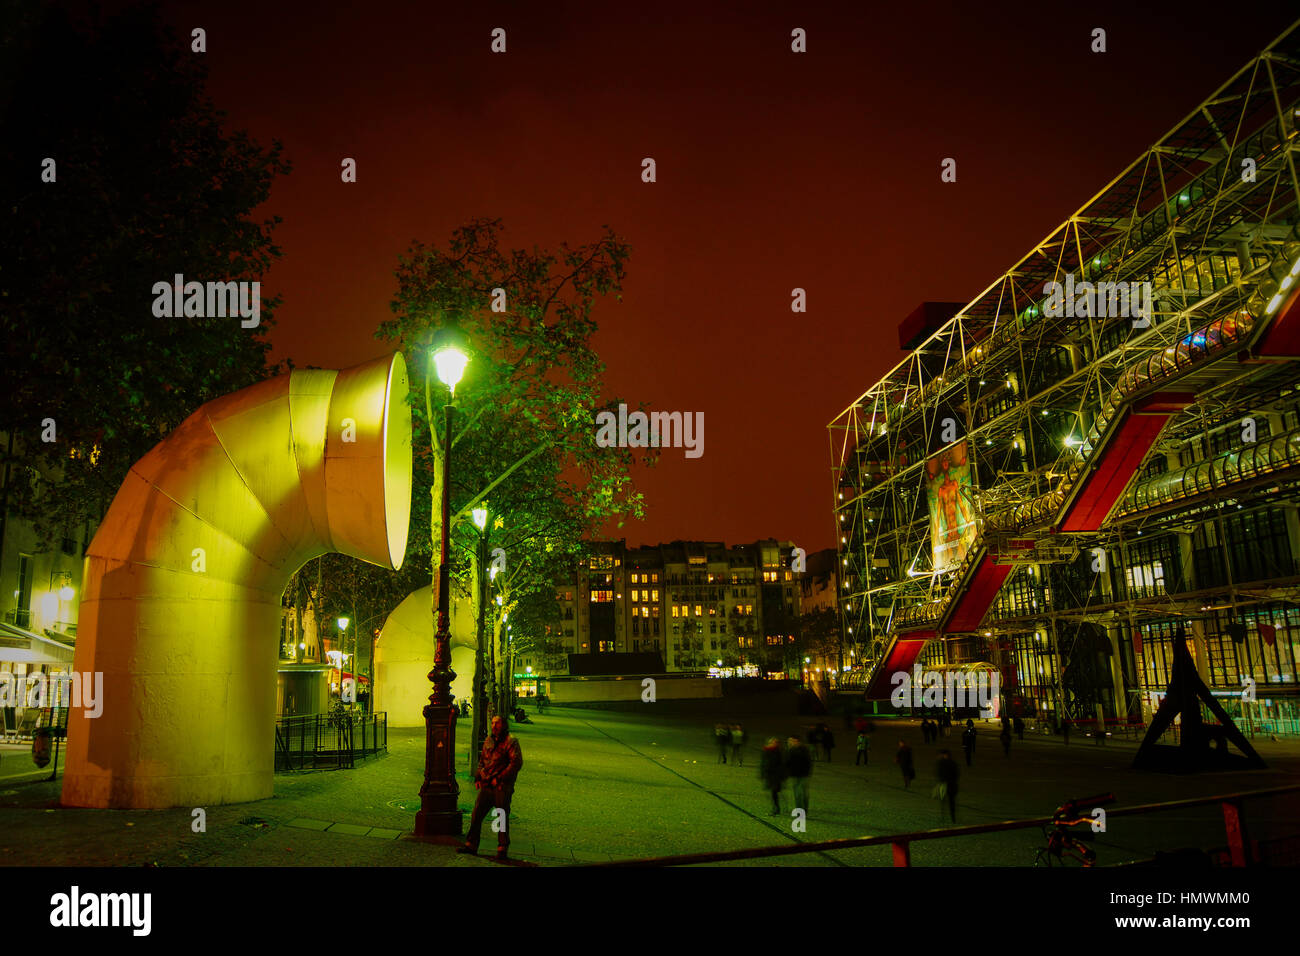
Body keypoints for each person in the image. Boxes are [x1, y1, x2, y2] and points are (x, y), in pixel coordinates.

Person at [458, 714, 523, 861]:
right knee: (477, 814)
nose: (494, 726)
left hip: (501, 787)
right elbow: (483, 761)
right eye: (493, 723)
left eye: (498, 723)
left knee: (500, 818)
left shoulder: (511, 741)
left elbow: (516, 763)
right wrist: (478, 776)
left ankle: (502, 848)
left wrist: (500, 779)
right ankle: (471, 845)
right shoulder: (488, 740)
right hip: (487, 785)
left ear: (504, 725)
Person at [759, 737, 787, 815]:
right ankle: (776, 807)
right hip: (769, 775)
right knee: (772, 792)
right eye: (772, 742)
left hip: (776, 776)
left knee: (774, 792)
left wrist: (783, 776)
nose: (773, 744)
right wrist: (762, 773)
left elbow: (783, 764)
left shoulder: (780, 752)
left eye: (775, 743)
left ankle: (776, 808)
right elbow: (763, 763)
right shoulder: (766, 750)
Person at [787, 735, 812, 814]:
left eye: (791, 741)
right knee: (797, 793)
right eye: (789, 741)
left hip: (803, 775)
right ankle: (800, 810)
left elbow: (808, 762)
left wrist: (807, 772)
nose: (789, 743)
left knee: (802, 793)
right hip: (794, 774)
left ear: (796, 741)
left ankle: (804, 809)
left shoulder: (804, 750)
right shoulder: (791, 750)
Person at [934, 749, 959, 822]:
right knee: (951, 802)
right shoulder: (953, 763)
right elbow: (956, 774)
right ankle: (952, 817)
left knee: (943, 801)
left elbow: (939, 773)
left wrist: (941, 780)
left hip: (945, 784)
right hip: (952, 785)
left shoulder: (942, 763)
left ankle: (944, 817)